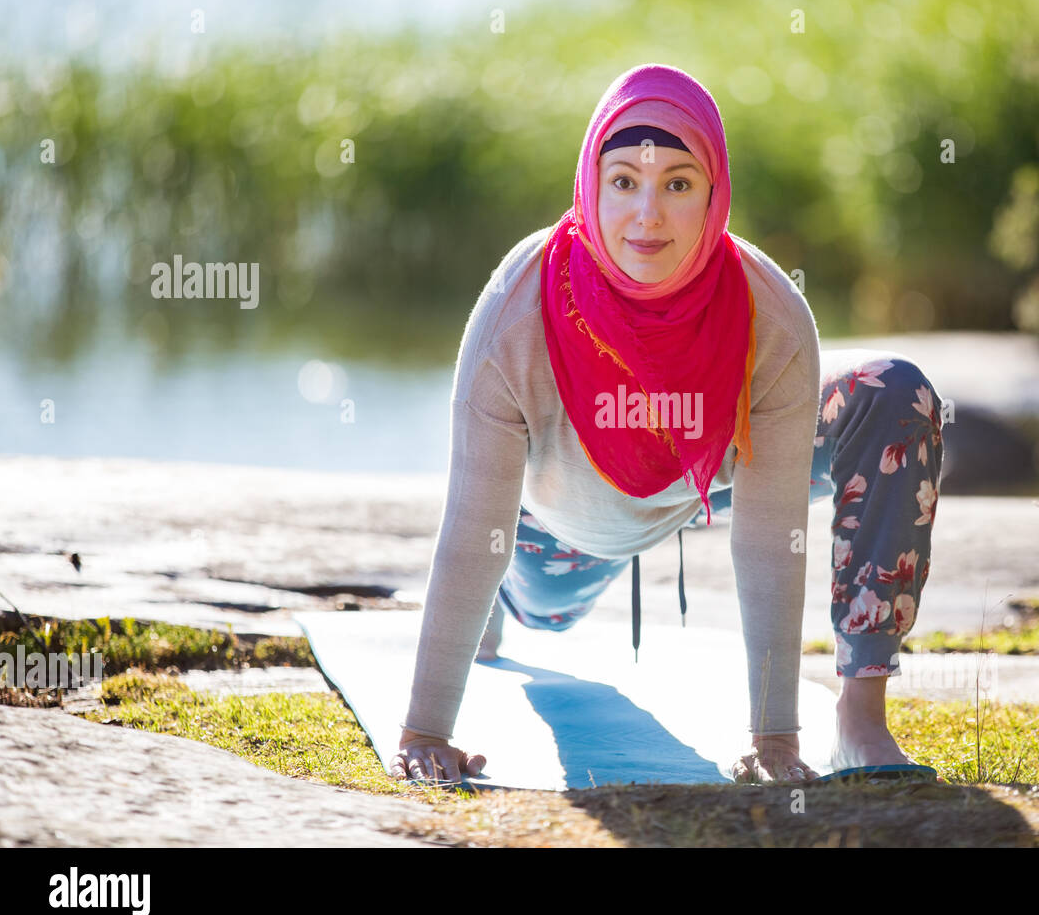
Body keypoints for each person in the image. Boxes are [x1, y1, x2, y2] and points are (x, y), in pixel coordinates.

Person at [388, 63, 944, 786]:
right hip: (562, 525)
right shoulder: (517, 311)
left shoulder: (768, 314)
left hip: (711, 473)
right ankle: (499, 609)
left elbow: (772, 534)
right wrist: (426, 728)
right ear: (591, 186)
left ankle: (861, 718)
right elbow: (471, 530)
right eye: (623, 182)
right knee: (538, 608)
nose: (647, 214)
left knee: (892, 392)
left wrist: (774, 739)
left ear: (714, 195)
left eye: (677, 185)